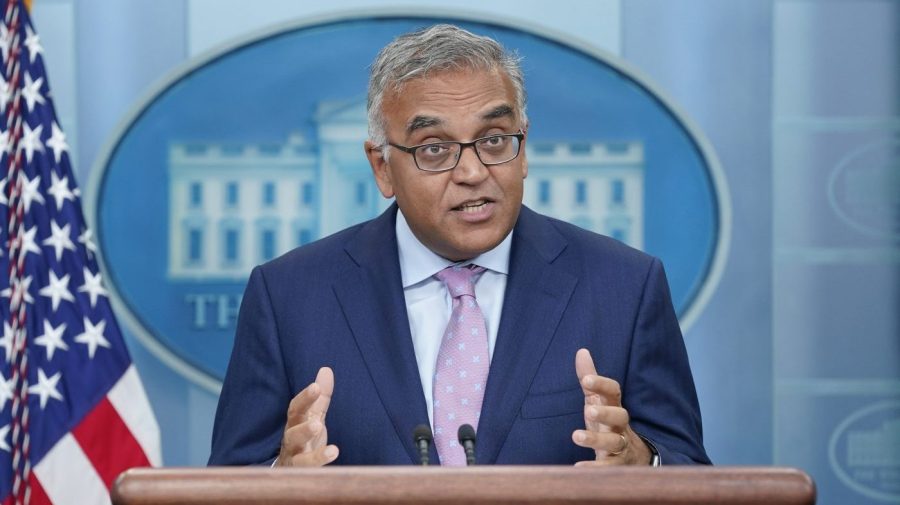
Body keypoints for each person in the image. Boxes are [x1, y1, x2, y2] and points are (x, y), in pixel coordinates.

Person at [209, 24, 710, 467]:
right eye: (435, 149)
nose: (473, 173)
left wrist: (641, 464)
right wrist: (280, 482)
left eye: (494, 140)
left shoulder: (624, 286)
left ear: (524, 147)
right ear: (382, 167)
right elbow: (226, 485)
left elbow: (694, 474)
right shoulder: (289, 296)